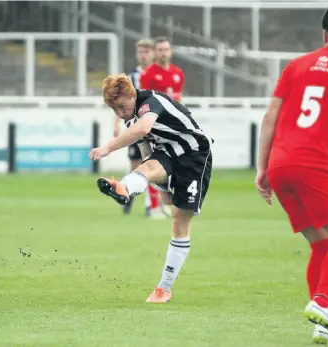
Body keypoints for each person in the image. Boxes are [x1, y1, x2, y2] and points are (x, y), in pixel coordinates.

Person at [255, 3, 328, 344]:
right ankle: (322, 303)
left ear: (324, 34)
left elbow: (271, 115)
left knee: (322, 244)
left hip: (280, 164)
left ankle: (322, 325)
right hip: (314, 163)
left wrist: (262, 167)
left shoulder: (297, 65)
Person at [90, 74, 212, 303]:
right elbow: (147, 153)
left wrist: (108, 147)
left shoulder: (151, 102)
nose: (120, 113)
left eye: (121, 106)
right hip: (166, 153)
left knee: (180, 220)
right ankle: (124, 187)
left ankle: (164, 288)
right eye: (115, 110)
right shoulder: (131, 119)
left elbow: (141, 130)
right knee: (145, 169)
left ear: (131, 95)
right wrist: (163, 187)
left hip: (194, 154)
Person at [113, 38, 167, 218]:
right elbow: (121, 101)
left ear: (153, 53)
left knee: (154, 165)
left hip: (157, 126)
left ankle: (150, 205)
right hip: (136, 127)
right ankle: (128, 197)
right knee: (137, 165)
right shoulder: (131, 77)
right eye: (141, 52)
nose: (144, 55)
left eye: (147, 52)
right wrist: (117, 123)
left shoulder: (161, 74)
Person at [140, 36, 185, 103]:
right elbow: (145, 99)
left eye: (166, 49)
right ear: (154, 52)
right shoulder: (147, 73)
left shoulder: (178, 72)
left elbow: (179, 96)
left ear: (171, 51)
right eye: (160, 50)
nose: (164, 53)